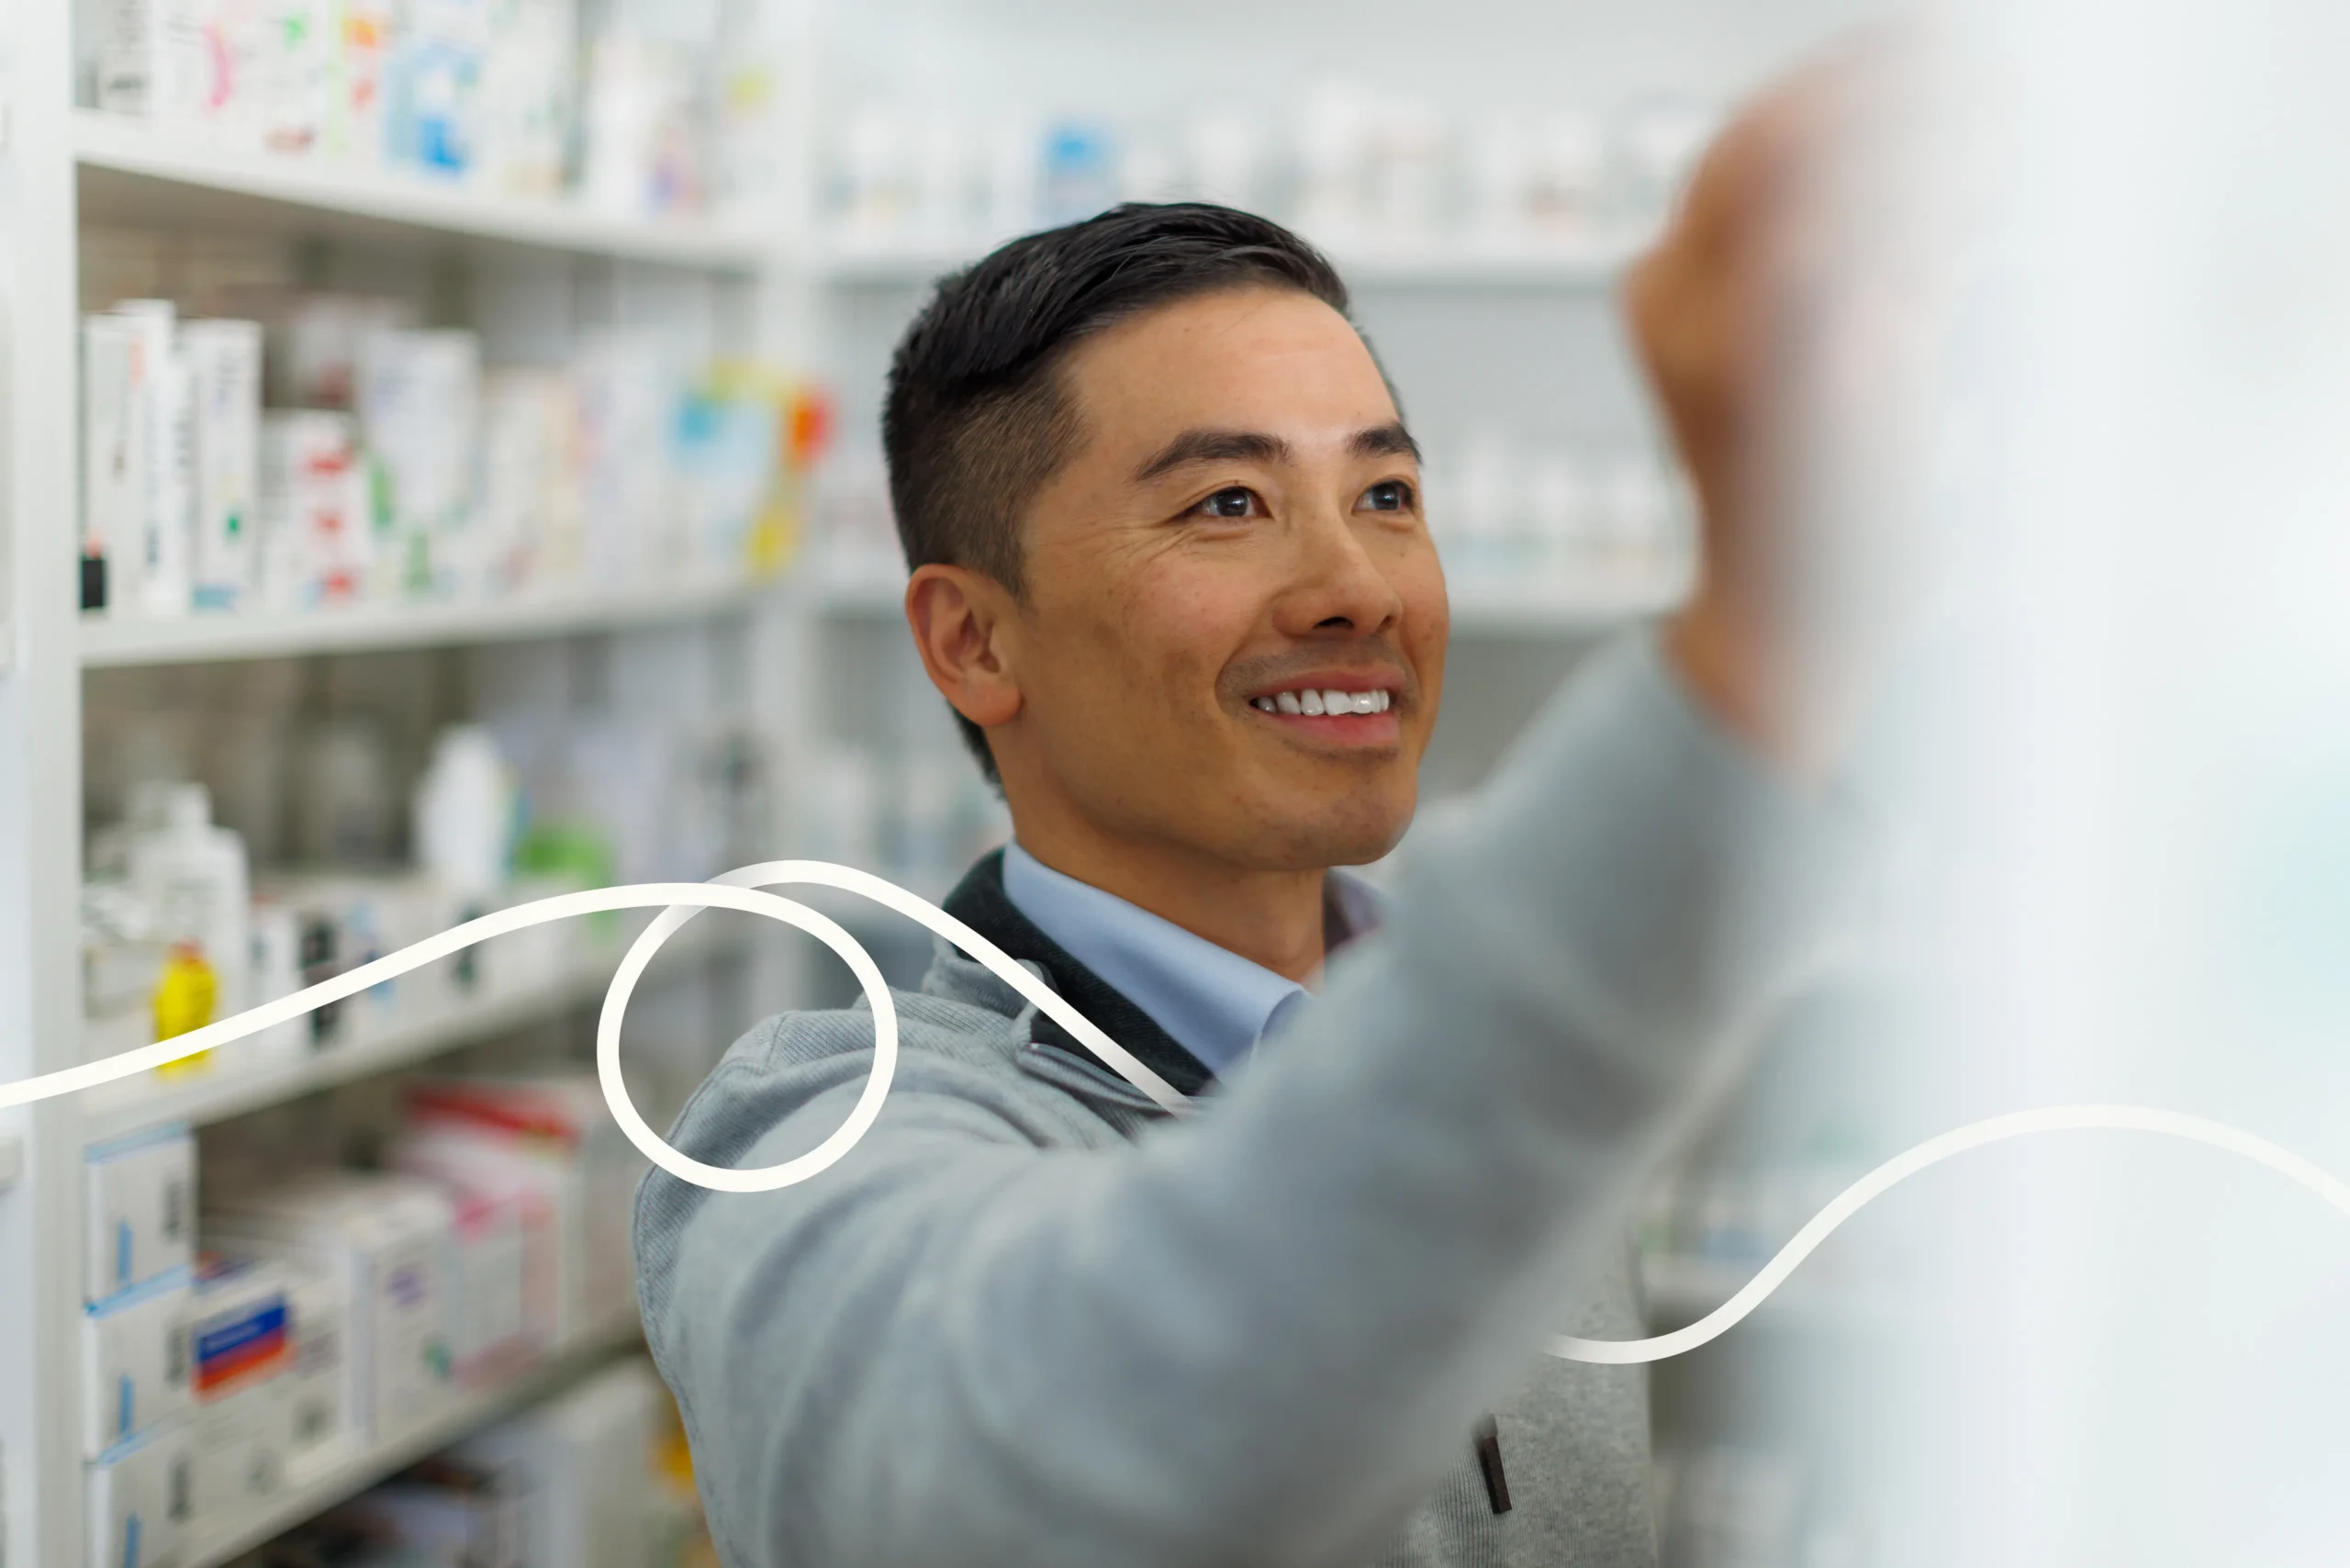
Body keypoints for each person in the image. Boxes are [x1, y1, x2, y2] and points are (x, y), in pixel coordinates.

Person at [635, 53, 1874, 1568]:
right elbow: (1055, 1470)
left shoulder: (1456, 1044)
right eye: (1227, 503)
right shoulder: (805, 1147)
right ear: (973, 641)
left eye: (1388, 496)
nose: (1355, 587)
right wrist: (1766, 641)